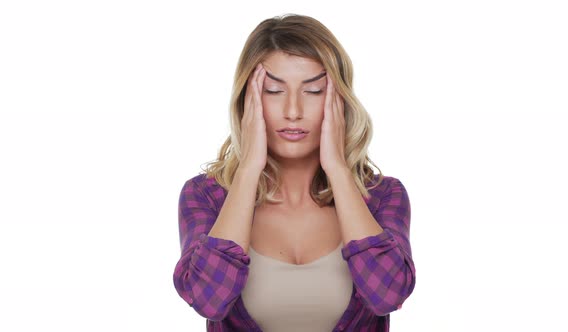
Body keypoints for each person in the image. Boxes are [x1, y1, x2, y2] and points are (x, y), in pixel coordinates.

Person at [172, 13, 416, 331]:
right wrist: (247, 170)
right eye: (273, 91)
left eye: (313, 92)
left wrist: (339, 171)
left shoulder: (383, 196)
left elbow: (388, 294)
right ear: (247, 101)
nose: (293, 112)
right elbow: (208, 300)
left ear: (339, 102)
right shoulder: (206, 195)